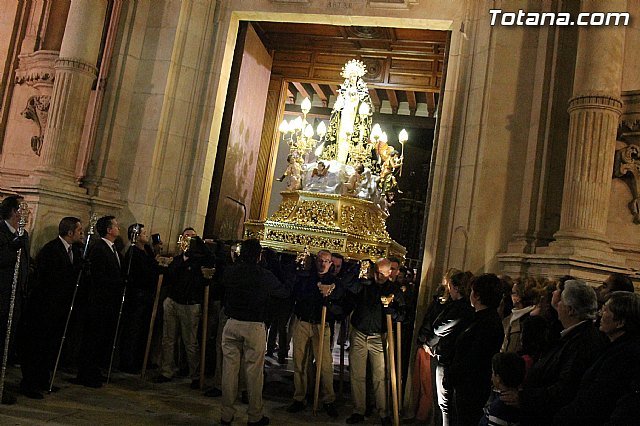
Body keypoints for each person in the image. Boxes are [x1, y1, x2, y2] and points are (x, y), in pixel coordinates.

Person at [501, 280, 606, 425]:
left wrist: (525, 398)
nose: (558, 305)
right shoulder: (572, 334)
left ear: (571, 310)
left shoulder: (583, 342)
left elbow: (565, 388)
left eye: (561, 301)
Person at [219, 239, 289, 426]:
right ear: (259, 255)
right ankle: (255, 415)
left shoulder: (232, 271)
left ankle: (226, 415)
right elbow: (283, 292)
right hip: (254, 326)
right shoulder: (263, 275)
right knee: (254, 374)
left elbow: (222, 280)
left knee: (229, 371)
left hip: (232, 323)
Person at [20, 217, 84, 399]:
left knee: (51, 346)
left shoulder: (76, 251)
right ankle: (29, 383)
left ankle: (43, 379)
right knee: (37, 346)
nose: (83, 233)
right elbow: (50, 278)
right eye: (80, 230)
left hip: (60, 308)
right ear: (70, 232)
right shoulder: (51, 250)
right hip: (45, 307)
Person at [554, 291, 640, 425]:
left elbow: (598, 398)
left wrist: (561, 416)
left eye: (605, 310)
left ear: (620, 322)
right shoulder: (613, 346)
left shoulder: (624, 356)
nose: (599, 314)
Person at [345, 258, 406, 425]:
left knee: (380, 376)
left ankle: (383, 412)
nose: (378, 276)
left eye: (381, 273)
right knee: (357, 374)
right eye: (376, 271)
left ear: (389, 273)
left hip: (379, 337)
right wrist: (356, 268)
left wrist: (392, 312)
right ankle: (358, 410)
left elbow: (402, 315)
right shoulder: (365, 284)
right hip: (359, 333)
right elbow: (349, 286)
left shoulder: (394, 290)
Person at [154, 228, 214, 389]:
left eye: (192, 237)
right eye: (186, 237)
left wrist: (200, 244)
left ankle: (195, 374)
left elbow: (211, 260)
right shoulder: (177, 260)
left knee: (190, 342)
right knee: (168, 338)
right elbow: (169, 277)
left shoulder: (201, 261)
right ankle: (167, 370)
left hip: (190, 304)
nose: (189, 240)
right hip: (173, 302)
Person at [287, 249, 342, 418]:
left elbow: (340, 304)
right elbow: (296, 295)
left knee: (324, 365)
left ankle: (328, 399)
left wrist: (329, 300)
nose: (322, 263)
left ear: (330, 264)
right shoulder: (306, 277)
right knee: (300, 361)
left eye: (326, 261)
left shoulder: (334, 282)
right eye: (320, 260)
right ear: (315, 260)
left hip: (321, 325)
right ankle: (299, 397)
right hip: (303, 322)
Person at [417, 270, 474, 426]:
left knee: (444, 403)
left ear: (455, 288)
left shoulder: (461, 308)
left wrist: (429, 343)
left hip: (448, 357)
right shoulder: (461, 306)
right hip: (448, 355)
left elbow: (439, 327)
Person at [447, 273, 504, 426]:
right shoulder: (481, 318)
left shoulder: (486, 322)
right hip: (467, 385)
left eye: (472, 291)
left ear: (477, 296)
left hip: (471, 387)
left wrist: (453, 374)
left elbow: (473, 357)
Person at [76, 215, 123, 388]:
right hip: (99, 302)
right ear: (109, 230)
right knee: (92, 339)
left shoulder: (112, 248)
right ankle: (86, 373)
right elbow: (98, 276)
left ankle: (94, 370)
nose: (119, 228)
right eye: (116, 225)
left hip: (108, 303)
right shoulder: (99, 248)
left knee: (101, 339)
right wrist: (117, 283)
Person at [118, 223, 162, 373]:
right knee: (134, 330)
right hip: (137, 297)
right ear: (135, 236)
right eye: (143, 233)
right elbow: (140, 273)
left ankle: (141, 359)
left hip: (148, 295)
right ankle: (129, 361)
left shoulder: (147, 250)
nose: (146, 235)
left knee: (144, 329)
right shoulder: (132, 253)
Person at [0, 195, 30, 405]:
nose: (26, 212)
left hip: (15, 296)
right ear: (13, 211)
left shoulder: (24, 234)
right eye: (22, 208)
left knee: (7, 344)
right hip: (1, 295)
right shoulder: (1, 232)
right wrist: (12, 247)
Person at [479, 352, 526, 426]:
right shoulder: (522, 401)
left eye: (493, 372)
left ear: (498, 378)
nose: (491, 377)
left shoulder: (499, 408)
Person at [501, 276, 538, 354]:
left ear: (519, 297)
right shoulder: (510, 316)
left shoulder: (530, 319)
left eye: (513, 293)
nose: (511, 296)